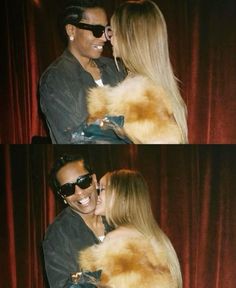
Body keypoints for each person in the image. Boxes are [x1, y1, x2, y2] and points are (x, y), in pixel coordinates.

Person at [86, 0, 188, 144]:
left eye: (113, 32)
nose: (110, 39)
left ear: (130, 38)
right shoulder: (157, 90)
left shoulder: (140, 96)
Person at [75, 169, 183, 288]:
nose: (97, 195)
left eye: (102, 189)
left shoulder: (116, 239)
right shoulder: (159, 239)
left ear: (122, 196)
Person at [39, 0, 126, 143]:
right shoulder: (55, 79)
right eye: (97, 30)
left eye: (106, 30)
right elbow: (76, 138)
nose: (105, 37)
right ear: (71, 30)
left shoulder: (115, 67)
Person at [42, 154, 113, 288]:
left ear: (94, 179)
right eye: (68, 189)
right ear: (63, 196)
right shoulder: (57, 235)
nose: (79, 192)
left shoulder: (119, 216)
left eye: (83, 181)